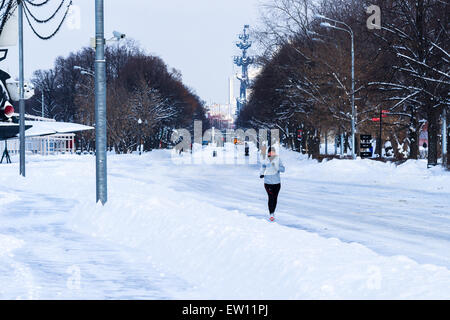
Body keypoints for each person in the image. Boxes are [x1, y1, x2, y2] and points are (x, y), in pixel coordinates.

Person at [259, 146, 285, 221]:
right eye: (270, 152)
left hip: (277, 183)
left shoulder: (278, 160)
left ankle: (273, 211)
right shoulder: (265, 160)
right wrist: (261, 173)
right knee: (270, 197)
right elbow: (263, 167)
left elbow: (283, 169)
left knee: (275, 198)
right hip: (267, 182)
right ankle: (271, 214)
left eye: (273, 152)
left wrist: (277, 167)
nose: (271, 153)